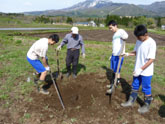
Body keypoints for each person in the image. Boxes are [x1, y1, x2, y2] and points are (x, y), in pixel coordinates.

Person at [121, 25, 156, 114]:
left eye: (139, 37)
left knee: (146, 88)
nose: (138, 39)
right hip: (137, 70)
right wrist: (128, 54)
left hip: (146, 71)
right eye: (137, 37)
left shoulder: (151, 43)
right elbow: (136, 52)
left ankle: (146, 105)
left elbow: (151, 59)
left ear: (146, 34)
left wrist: (141, 69)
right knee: (135, 85)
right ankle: (131, 101)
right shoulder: (138, 41)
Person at [106, 20, 128, 93]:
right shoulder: (114, 35)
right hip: (114, 54)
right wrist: (111, 55)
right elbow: (114, 46)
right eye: (109, 28)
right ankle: (113, 83)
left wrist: (124, 37)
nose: (110, 29)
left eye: (111, 27)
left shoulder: (120, 31)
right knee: (113, 70)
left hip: (119, 55)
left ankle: (115, 84)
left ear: (115, 25)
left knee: (117, 71)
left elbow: (126, 36)